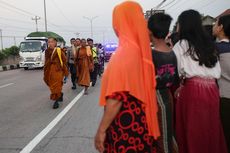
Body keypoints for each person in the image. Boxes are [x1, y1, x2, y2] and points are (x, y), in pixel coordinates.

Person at [94, 1, 160, 153]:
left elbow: (116, 98)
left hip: (125, 123)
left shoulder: (125, 53)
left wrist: (102, 130)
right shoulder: (139, 50)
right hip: (139, 119)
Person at [173, 10, 227, 153]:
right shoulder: (209, 44)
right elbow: (216, 70)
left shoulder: (181, 45)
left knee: (193, 132)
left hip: (193, 90)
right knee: (210, 129)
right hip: (212, 90)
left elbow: (176, 71)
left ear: (184, 25)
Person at [148, 13, 179, 153]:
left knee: (162, 136)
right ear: (167, 32)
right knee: (166, 132)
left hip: (157, 98)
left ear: (149, 31)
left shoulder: (150, 55)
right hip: (167, 96)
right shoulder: (172, 53)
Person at [213, 14, 230, 152]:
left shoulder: (215, 49)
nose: (213, 26)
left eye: (215, 23)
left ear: (221, 28)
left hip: (224, 97)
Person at [43, 37, 69, 109]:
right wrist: (45, 70)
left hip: (58, 71)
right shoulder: (47, 51)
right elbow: (46, 61)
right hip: (50, 70)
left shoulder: (59, 50)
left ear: (55, 43)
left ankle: (56, 101)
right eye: (49, 42)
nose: (50, 43)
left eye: (52, 42)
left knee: (57, 86)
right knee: (52, 86)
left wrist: (65, 71)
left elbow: (64, 61)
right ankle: (60, 94)